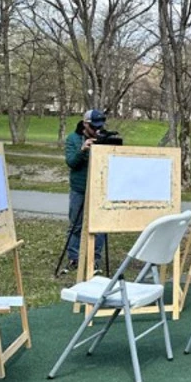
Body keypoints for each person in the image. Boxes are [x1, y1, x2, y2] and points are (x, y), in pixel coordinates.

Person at [63, 109, 107, 274]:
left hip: (99, 188)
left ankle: (95, 259)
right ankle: (74, 258)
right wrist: (82, 150)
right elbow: (71, 162)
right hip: (79, 188)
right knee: (76, 224)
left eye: (99, 126)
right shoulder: (73, 139)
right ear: (85, 124)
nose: (96, 130)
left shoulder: (103, 138)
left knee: (100, 226)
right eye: (93, 126)